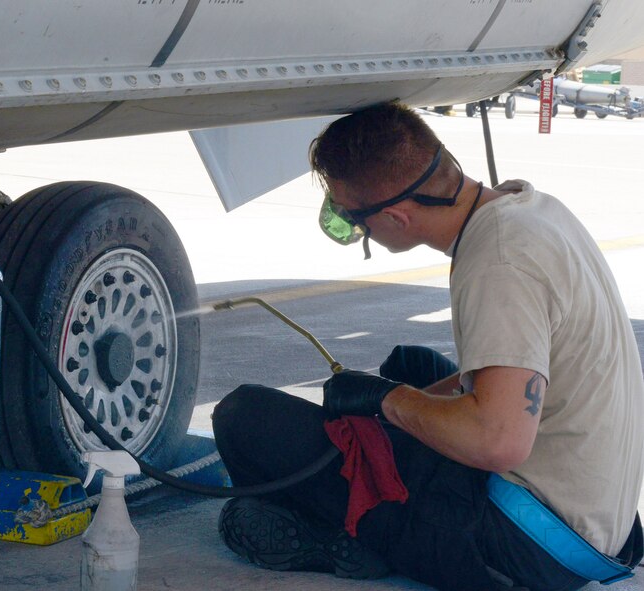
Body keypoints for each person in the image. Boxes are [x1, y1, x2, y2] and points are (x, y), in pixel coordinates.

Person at [212, 102, 644, 591]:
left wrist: (386, 400)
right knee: (409, 365)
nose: (359, 230)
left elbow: (499, 441)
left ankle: (340, 538)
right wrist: (395, 398)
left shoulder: (498, 262)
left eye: (355, 218)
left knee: (246, 418)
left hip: (527, 543)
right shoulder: (528, 209)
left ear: (395, 216)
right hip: (593, 518)